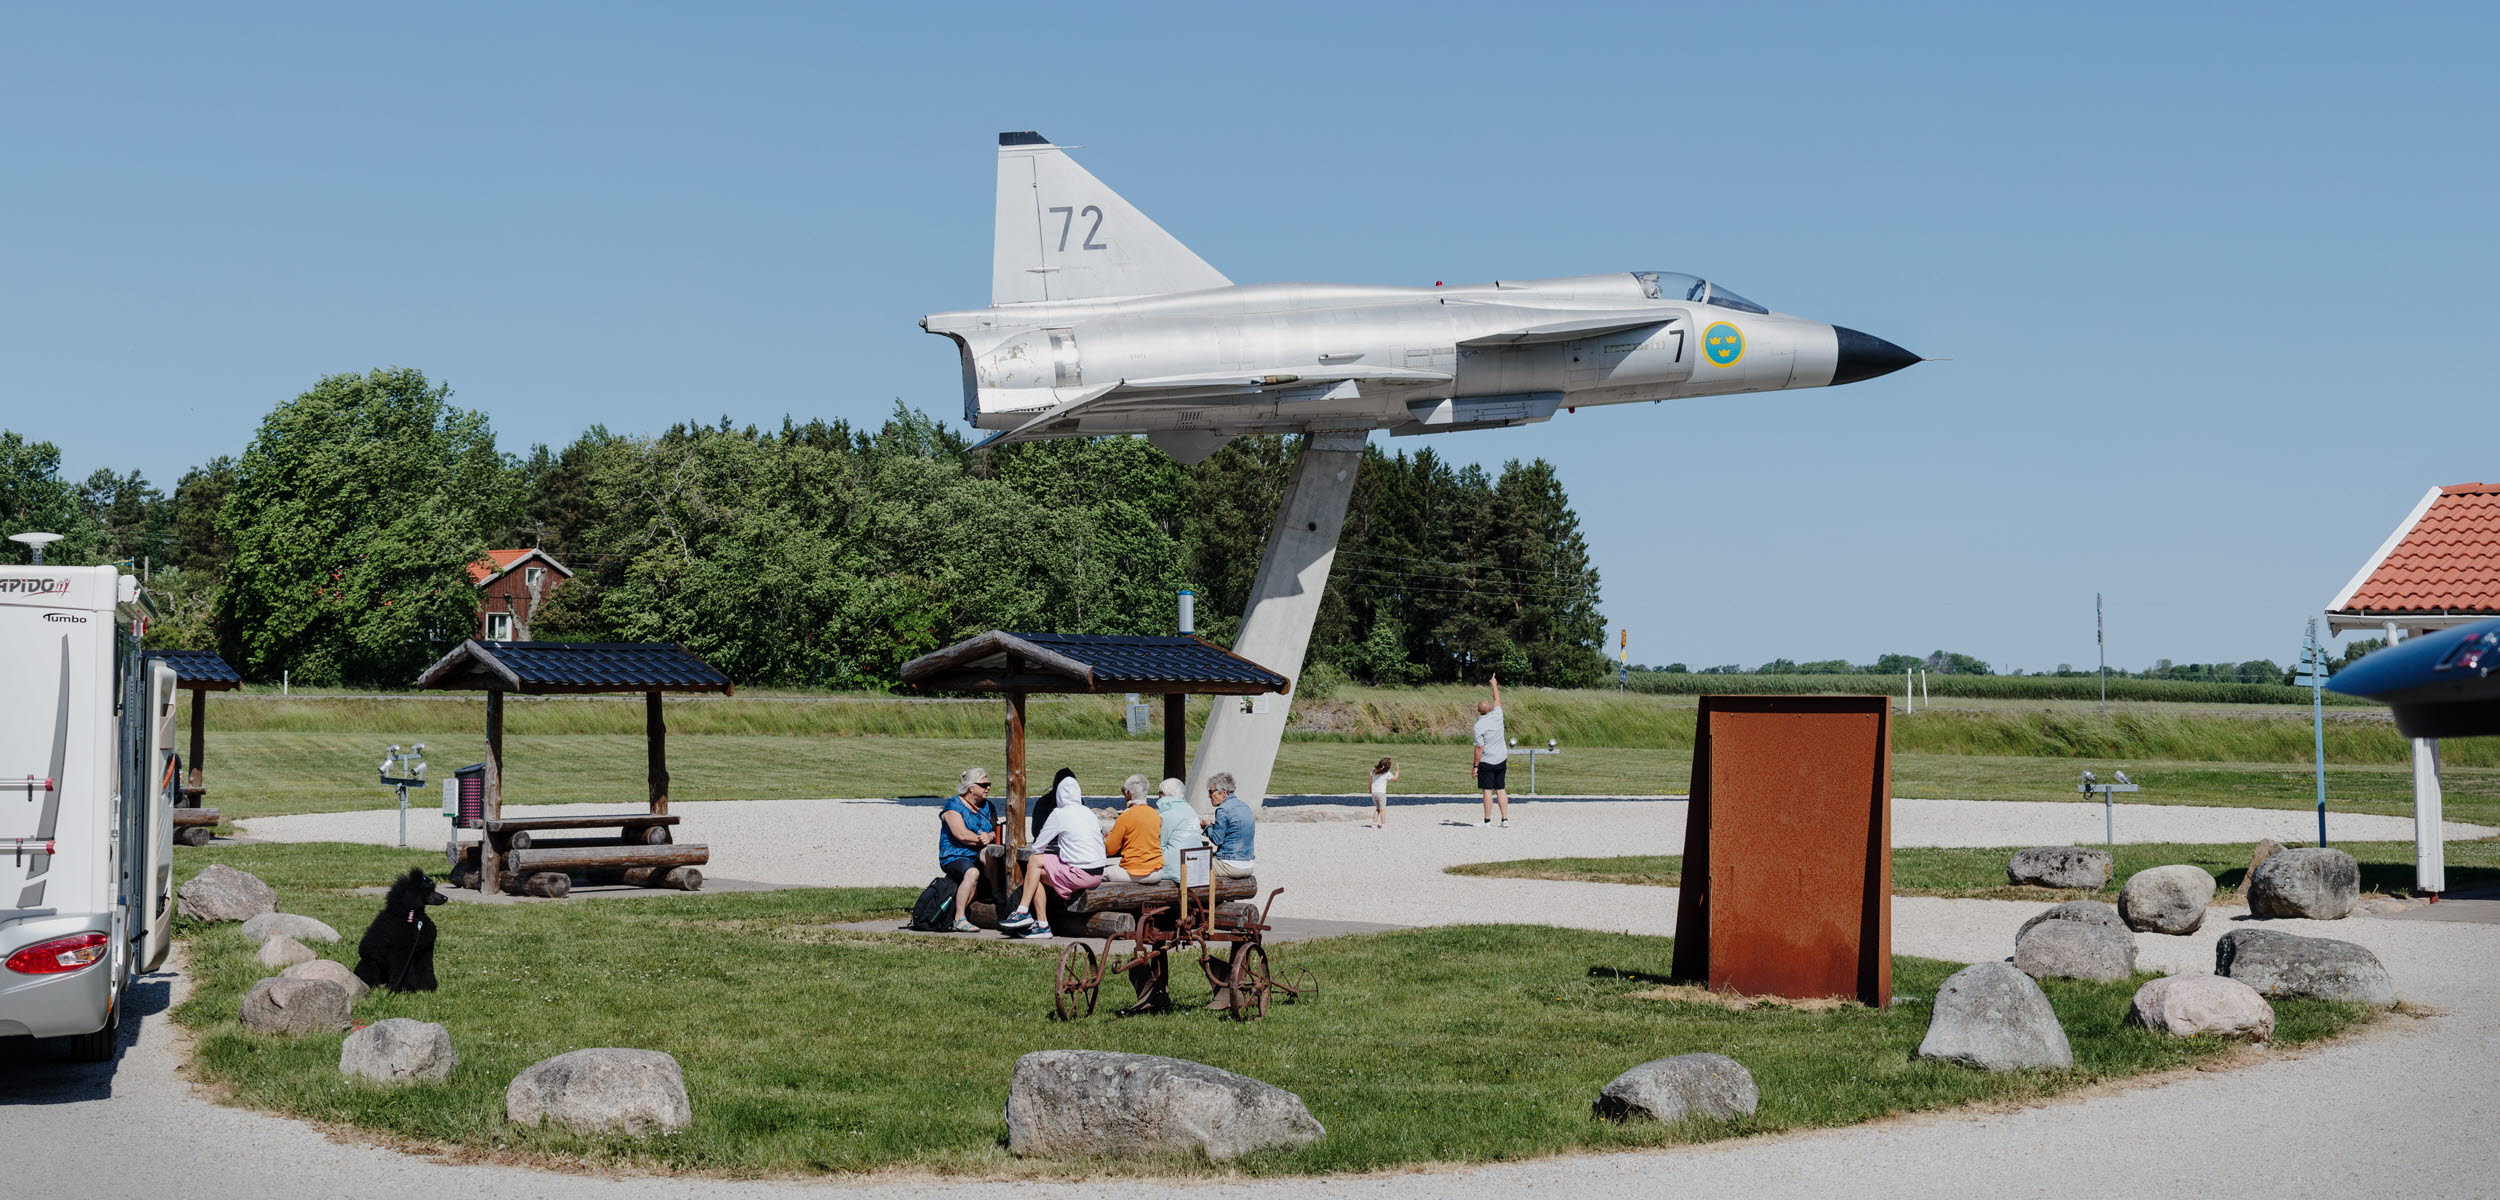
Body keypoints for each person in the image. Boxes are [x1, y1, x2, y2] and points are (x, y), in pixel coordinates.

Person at [1004, 774, 1108, 938]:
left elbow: (1038, 846)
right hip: (1097, 874)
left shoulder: (1059, 813)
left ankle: (1022, 911)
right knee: (1036, 876)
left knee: (1034, 861)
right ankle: (1042, 924)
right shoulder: (1088, 813)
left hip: (1079, 873)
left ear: (1058, 794)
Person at [936, 767, 1000, 933]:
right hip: (956, 854)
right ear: (971, 787)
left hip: (978, 853)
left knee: (989, 854)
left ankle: (997, 893)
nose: (988, 787)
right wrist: (981, 839)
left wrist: (990, 836)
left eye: (989, 784)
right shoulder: (953, 806)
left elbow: (996, 830)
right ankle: (959, 918)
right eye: (984, 784)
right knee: (972, 873)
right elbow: (961, 834)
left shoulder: (988, 806)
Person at [1099, 773, 1162, 883]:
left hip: (1133, 872)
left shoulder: (1126, 816)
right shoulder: (1155, 815)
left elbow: (1110, 849)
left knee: (1099, 873)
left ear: (1128, 793)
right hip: (1157, 871)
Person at [1147, 778, 1208, 884]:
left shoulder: (1168, 814)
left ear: (1164, 794)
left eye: (1159, 792)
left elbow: (1159, 843)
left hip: (1175, 869)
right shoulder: (1190, 810)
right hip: (1194, 869)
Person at [1202, 771, 1256, 879]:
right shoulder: (1245, 806)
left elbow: (1217, 840)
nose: (1209, 796)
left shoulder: (1223, 809)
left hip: (1230, 864)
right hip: (1249, 864)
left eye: (1211, 792)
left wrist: (1207, 826)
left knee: (1192, 865)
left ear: (1223, 792)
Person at [1473, 673, 1510, 827]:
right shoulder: (1497, 715)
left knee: (1487, 790)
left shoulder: (1478, 726)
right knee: (1501, 789)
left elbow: (1479, 748)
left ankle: (1487, 821)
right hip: (1501, 758)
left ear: (1479, 711)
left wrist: (1475, 766)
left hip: (1487, 761)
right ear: (1489, 708)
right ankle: (1504, 819)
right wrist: (1494, 684)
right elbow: (1497, 699)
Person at [1368, 756, 1397, 829]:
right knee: (1383, 809)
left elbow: (1370, 781)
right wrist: (1397, 770)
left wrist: (1370, 790)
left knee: (1377, 809)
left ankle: (1374, 824)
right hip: (1381, 793)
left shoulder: (1373, 771)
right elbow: (1394, 779)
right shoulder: (1387, 773)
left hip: (1374, 792)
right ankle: (1383, 824)